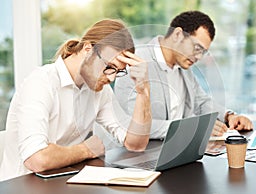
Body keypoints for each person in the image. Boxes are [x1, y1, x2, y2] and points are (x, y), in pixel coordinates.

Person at [0, 19, 151, 181]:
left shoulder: (100, 91)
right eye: (109, 66)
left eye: (118, 72)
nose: (112, 78)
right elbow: (37, 159)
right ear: (87, 49)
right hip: (22, 185)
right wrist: (86, 150)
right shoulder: (41, 82)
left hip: (64, 180)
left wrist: (143, 91)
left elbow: (136, 144)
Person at [114, 10, 253, 139]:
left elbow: (201, 102)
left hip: (176, 150)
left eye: (203, 52)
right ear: (177, 35)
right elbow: (131, 124)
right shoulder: (135, 63)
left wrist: (229, 116)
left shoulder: (183, 68)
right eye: (197, 48)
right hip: (138, 156)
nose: (199, 57)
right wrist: (189, 128)